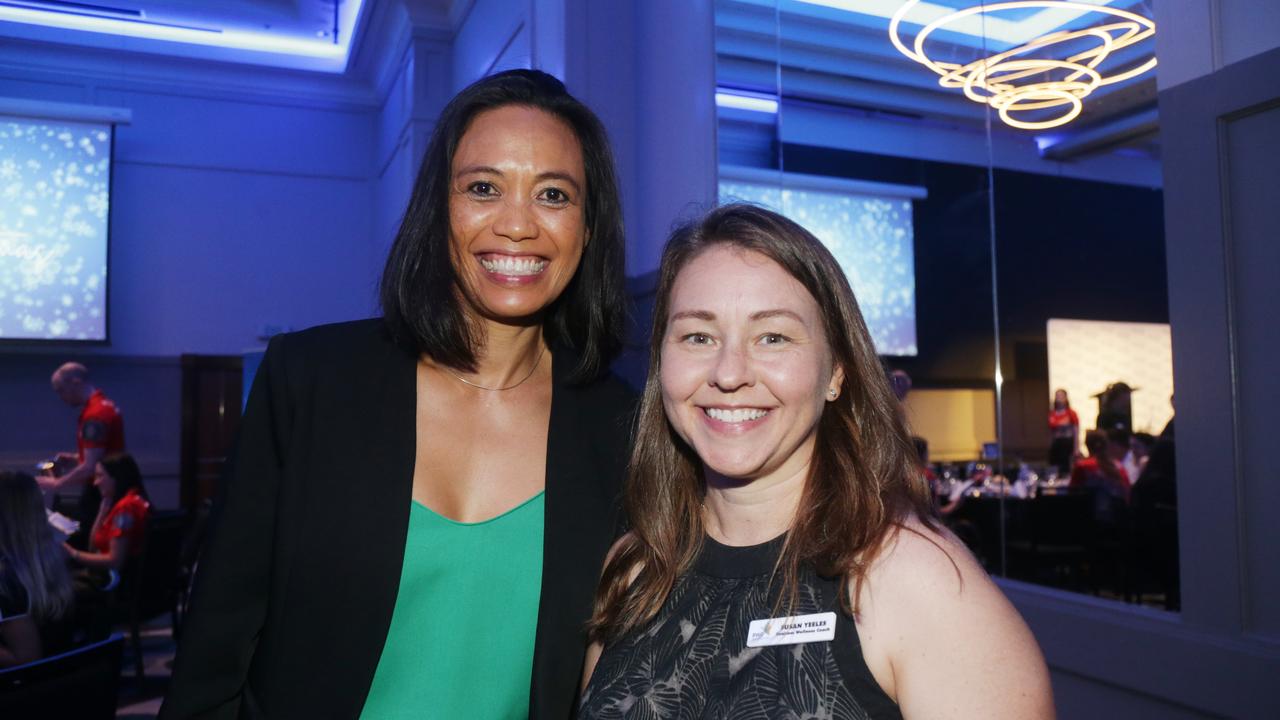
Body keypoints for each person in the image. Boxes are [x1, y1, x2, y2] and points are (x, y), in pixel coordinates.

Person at [162, 69, 634, 720]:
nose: (518, 224)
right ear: (438, 207)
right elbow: (216, 651)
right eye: (483, 188)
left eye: (553, 194)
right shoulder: (311, 381)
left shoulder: (623, 429)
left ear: (587, 227)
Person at [580, 205, 1052, 719]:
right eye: (698, 336)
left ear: (836, 372)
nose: (729, 372)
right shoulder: (635, 569)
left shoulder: (913, 581)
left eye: (773, 337)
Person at [41, 362, 127, 549]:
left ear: (76, 382)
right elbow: (104, 457)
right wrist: (74, 459)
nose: (61, 397)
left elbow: (90, 467)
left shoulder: (95, 415)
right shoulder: (105, 406)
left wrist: (56, 484)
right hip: (111, 485)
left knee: (81, 541)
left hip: (103, 491)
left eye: (61, 390)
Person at [0, 471, 74, 668]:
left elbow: (27, 658)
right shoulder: (47, 561)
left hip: (25, 692)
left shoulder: (7, 580)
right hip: (61, 680)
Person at [1047, 388, 1079, 475]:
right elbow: (1051, 431)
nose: (1058, 398)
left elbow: (1076, 431)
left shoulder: (1071, 413)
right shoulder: (1052, 414)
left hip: (1067, 442)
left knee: (1066, 467)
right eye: (1057, 396)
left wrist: (1076, 448)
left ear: (1066, 398)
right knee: (1055, 466)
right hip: (1056, 442)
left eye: (1061, 396)